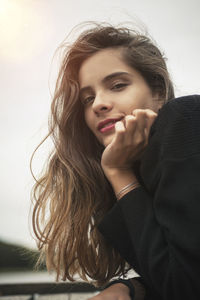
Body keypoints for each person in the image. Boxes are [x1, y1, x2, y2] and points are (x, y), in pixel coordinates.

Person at [31, 23, 200, 300]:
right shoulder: (144, 168)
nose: (99, 103)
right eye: (88, 98)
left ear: (157, 92)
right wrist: (133, 286)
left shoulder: (185, 119)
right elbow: (175, 269)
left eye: (118, 85)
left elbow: (186, 288)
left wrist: (118, 171)